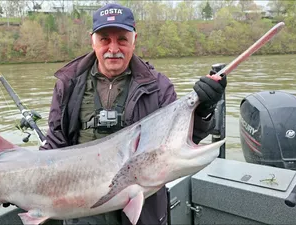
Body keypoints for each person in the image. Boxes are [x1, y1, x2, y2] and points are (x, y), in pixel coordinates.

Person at [38, 3, 227, 225]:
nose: (113, 48)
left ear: (134, 39)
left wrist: (203, 109)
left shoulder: (159, 86)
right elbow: (55, 144)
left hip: (143, 211)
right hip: (82, 211)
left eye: (122, 39)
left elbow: (184, 139)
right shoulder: (68, 85)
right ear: (93, 41)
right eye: (105, 39)